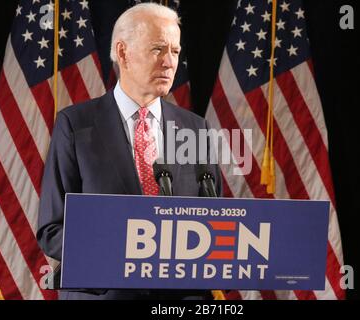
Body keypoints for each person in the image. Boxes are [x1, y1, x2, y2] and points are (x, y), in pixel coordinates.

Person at [37, 3, 222, 300]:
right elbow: (52, 230)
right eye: (158, 49)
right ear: (122, 53)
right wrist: (128, 250)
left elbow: (217, 223)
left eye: (174, 51)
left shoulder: (195, 128)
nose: (169, 62)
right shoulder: (75, 125)